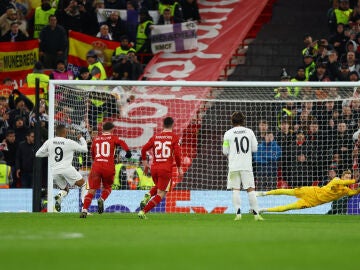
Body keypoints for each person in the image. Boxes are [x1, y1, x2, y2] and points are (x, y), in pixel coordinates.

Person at [80, 121, 131, 218]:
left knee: (91, 190)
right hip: (108, 166)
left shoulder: (96, 139)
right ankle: (102, 199)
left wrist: (96, 161)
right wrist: (128, 151)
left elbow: (93, 154)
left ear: (103, 129)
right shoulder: (113, 137)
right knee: (107, 187)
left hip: (96, 166)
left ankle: (85, 209)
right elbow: (122, 142)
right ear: (112, 129)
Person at [137, 116, 183, 219]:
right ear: (173, 125)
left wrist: (145, 164)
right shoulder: (174, 137)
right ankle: (143, 212)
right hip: (165, 169)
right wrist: (179, 168)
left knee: (159, 187)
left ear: (163, 125)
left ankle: (148, 196)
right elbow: (177, 155)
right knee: (161, 193)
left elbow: (143, 149)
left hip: (154, 168)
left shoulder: (155, 137)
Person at [35, 124, 88, 212]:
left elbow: (38, 154)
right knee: (84, 184)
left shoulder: (50, 141)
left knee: (64, 190)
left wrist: (50, 153)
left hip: (55, 171)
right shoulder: (69, 142)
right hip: (67, 168)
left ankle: (59, 195)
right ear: (64, 132)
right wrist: (81, 138)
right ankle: (84, 208)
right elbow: (85, 149)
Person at [222, 112, 263, 221]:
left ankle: (238, 214)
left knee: (236, 189)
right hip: (246, 165)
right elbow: (255, 148)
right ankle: (256, 215)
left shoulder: (228, 133)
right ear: (243, 121)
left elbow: (225, 151)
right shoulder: (250, 132)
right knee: (250, 189)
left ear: (232, 121)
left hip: (234, 166)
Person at [257, 170, 360, 213]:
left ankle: (264, 210)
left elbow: (354, 192)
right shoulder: (336, 180)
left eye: (349, 177)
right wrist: (355, 180)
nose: (347, 179)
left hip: (312, 202)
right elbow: (345, 182)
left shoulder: (346, 190)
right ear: (342, 177)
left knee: (287, 208)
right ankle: (264, 193)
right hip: (311, 192)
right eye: (346, 177)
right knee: (287, 191)